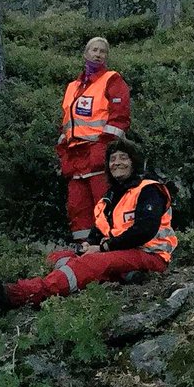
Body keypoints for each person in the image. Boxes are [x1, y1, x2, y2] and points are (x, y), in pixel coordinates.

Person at [0, 138, 176, 312]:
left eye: (123, 158)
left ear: (134, 162)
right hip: (121, 253)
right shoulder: (109, 197)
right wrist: (89, 244)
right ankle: (125, 274)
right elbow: (98, 231)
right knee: (59, 256)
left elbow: (145, 230)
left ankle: (24, 295)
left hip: (151, 255)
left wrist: (104, 247)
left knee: (88, 263)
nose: (117, 163)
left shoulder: (149, 189)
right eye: (112, 159)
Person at [56, 37, 131, 243]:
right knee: (77, 207)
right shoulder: (73, 86)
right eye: (94, 50)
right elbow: (67, 123)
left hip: (97, 154)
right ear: (85, 54)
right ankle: (84, 251)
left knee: (104, 202)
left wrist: (104, 146)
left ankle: (110, 250)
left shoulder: (112, 80)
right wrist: (62, 148)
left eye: (103, 51)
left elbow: (119, 117)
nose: (98, 54)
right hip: (74, 158)